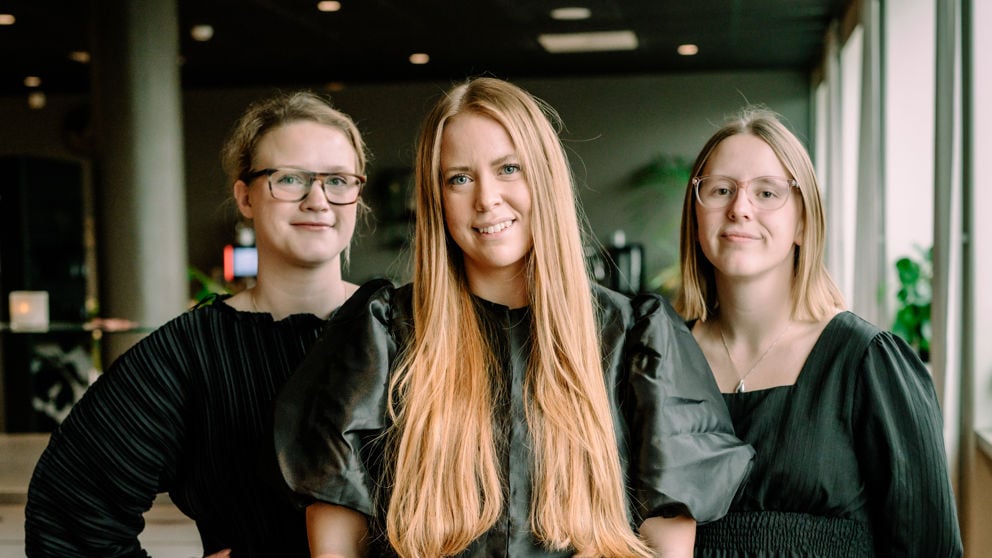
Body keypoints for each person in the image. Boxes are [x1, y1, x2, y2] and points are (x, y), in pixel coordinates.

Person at [273, 77, 754, 558]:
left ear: (544, 177)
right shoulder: (383, 333)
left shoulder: (637, 337)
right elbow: (336, 536)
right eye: (459, 178)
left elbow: (668, 541)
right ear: (436, 198)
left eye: (508, 168)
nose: (486, 199)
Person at [25, 90, 369, 557]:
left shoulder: (411, 329)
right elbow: (68, 511)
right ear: (245, 197)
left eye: (338, 180)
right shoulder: (191, 353)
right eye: (289, 179)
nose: (317, 199)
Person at [676, 107, 963, 556]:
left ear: (804, 222)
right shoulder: (658, 361)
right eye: (720, 190)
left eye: (767, 192)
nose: (740, 208)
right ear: (696, 218)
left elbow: (929, 546)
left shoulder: (868, 362)